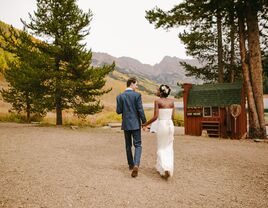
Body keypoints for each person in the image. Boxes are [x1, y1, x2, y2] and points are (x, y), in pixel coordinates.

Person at [142, 84, 175, 180]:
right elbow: (173, 117)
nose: (156, 91)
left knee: (161, 147)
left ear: (161, 92)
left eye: (157, 90)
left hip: (162, 125)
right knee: (169, 147)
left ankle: (165, 168)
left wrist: (145, 124)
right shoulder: (172, 102)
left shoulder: (157, 101)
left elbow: (156, 117)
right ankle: (165, 167)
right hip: (170, 125)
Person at [116, 77, 147, 178]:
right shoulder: (137, 95)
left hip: (126, 124)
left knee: (128, 145)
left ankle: (131, 165)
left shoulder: (120, 96)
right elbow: (140, 110)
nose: (137, 86)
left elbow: (118, 111)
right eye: (136, 84)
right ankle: (136, 165)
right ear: (131, 84)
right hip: (135, 124)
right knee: (138, 145)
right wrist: (144, 123)